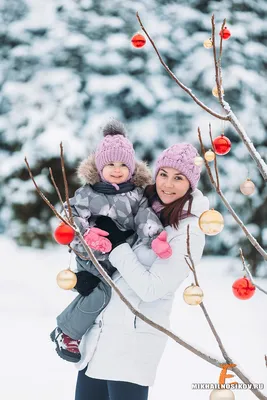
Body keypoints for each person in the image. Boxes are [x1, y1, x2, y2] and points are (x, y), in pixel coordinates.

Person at [73, 142, 210, 400]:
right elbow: (106, 252)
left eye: (178, 178)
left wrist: (118, 245)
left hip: (132, 346)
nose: (167, 184)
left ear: (190, 183)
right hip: (100, 338)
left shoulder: (187, 231)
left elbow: (151, 289)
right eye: (163, 174)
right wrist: (89, 274)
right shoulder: (143, 208)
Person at [50, 119, 171, 363]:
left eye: (123, 165)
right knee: (102, 292)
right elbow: (69, 217)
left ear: (131, 167)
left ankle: (74, 331)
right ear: (99, 166)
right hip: (91, 256)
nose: (117, 169)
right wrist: (86, 233)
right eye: (111, 164)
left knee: (111, 294)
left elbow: (145, 216)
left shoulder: (137, 195)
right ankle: (66, 332)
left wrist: (154, 236)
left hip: (117, 257)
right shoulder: (88, 193)